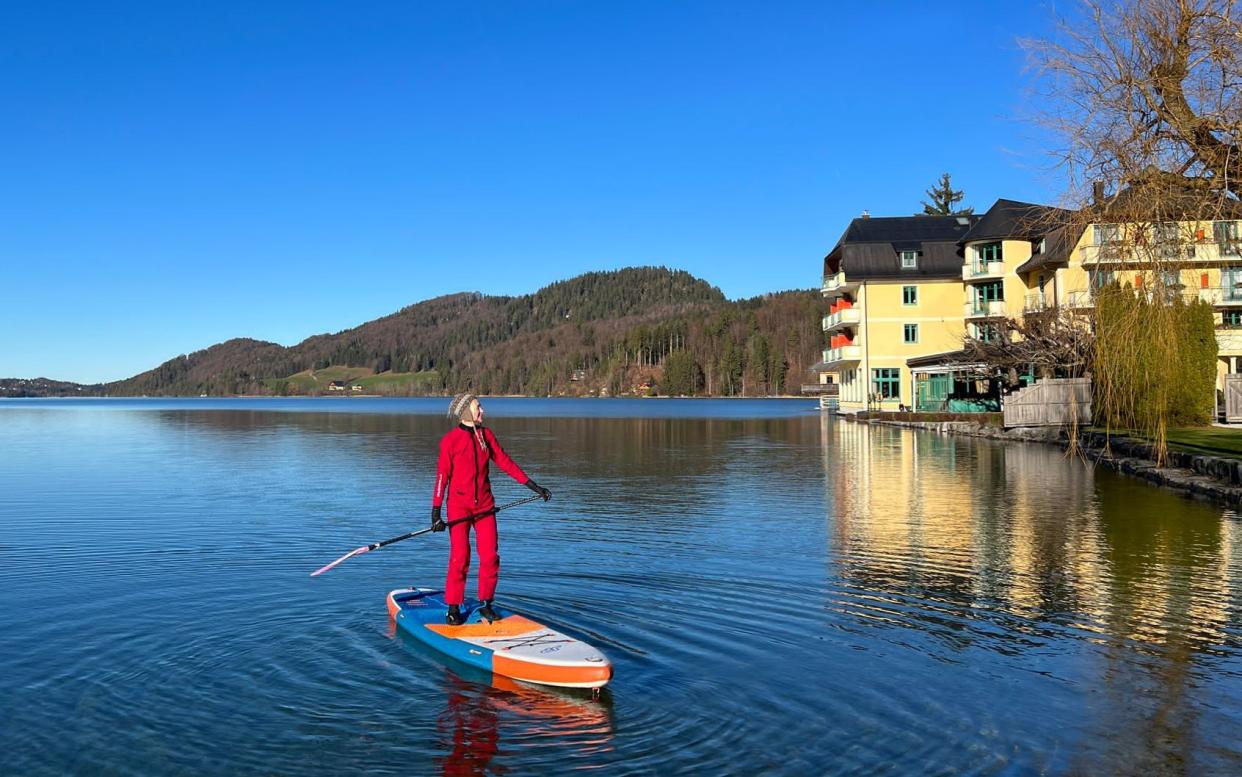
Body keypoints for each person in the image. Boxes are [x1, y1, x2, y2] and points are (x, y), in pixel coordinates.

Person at [432, 393, 551, 625]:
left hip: (485, 507)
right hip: (459, 509)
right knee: (460, 557)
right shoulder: (451, 441)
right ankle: (454, 607)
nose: (483, 411)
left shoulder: (486, 436)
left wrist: (533, 486)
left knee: (490, 557)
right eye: (479, 407)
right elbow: (441, 477)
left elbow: (505, 462)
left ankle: (486, 604)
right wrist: (436, 513)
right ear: (467, 412)